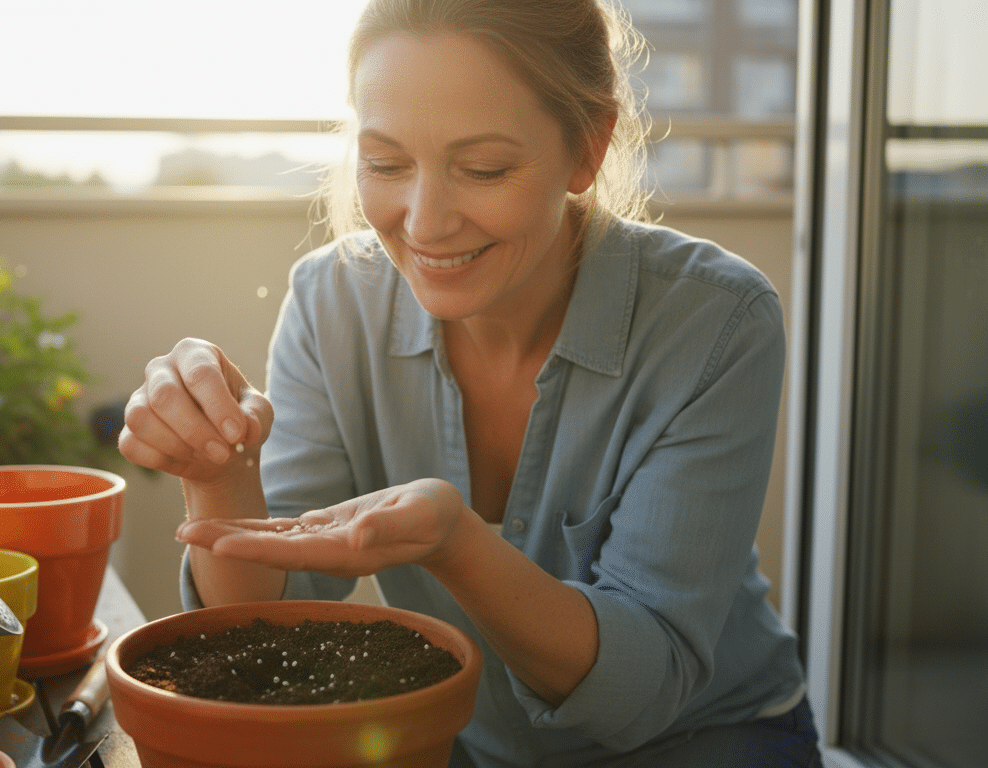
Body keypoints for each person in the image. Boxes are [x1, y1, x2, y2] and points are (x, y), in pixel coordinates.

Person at [118, 0, 818, 765]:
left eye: (483, 169)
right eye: (386, 164)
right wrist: (220, 471)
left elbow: (640, 693)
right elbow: (264, 620)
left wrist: (458, 545)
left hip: (703, 737)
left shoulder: (716, 321)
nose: (425, 223)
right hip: (463, 743)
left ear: (588, 147)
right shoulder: (331, 302)